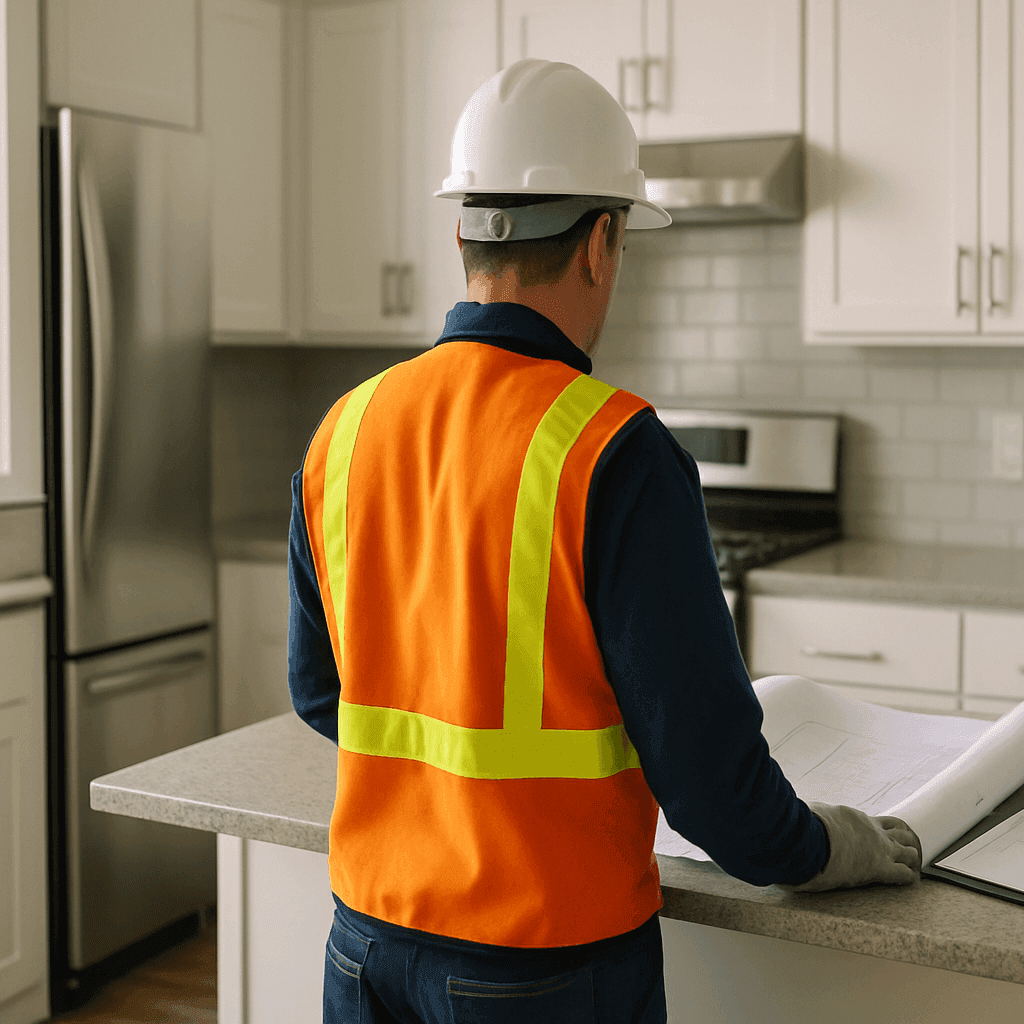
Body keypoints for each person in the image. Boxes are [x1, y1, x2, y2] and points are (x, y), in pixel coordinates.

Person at [286, 59, 921, 1024]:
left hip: (363, 946)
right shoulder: (615, 451)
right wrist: (838, 847)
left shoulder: (343, 431)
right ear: (602, 241)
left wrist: (449, 809)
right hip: (543, 964)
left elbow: (323, 695)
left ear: (461, 230)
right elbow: (711, 784)